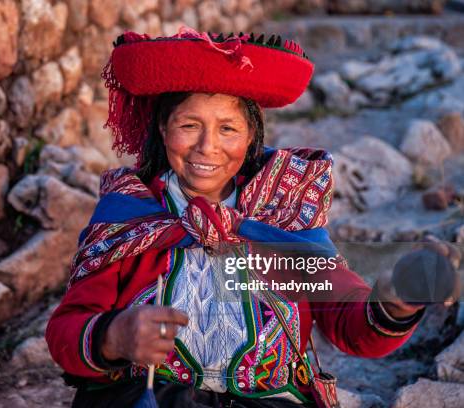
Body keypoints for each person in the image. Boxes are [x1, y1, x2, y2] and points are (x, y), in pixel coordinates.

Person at [45, 27, 460, 407]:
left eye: (228, 129)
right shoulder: (131, 215)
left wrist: (395, 301)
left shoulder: (280, 214)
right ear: (162, 128)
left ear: (251, 136)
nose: (207, 147)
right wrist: (114, 336)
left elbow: (349, 321)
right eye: (189, 125)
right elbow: (66, 331)